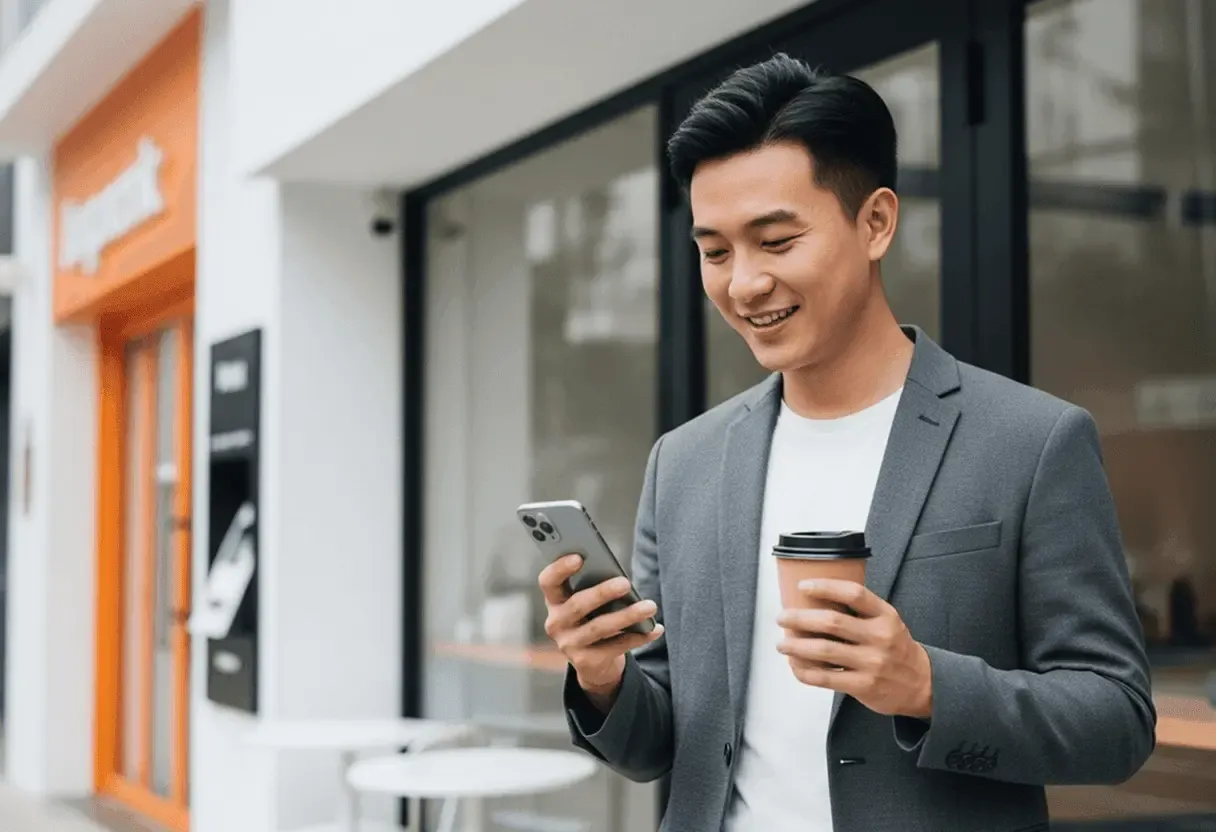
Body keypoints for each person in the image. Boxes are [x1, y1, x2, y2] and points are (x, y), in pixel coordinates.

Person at [537, 53, 1155, 832]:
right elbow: (659, 745)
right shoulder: (683, 463)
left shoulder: (1032, 442)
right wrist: (600, 675)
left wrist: (926, 684)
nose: (744, 283)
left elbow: (1118, 720)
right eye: (716, 251)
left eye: (776, 240)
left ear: (876, 222)